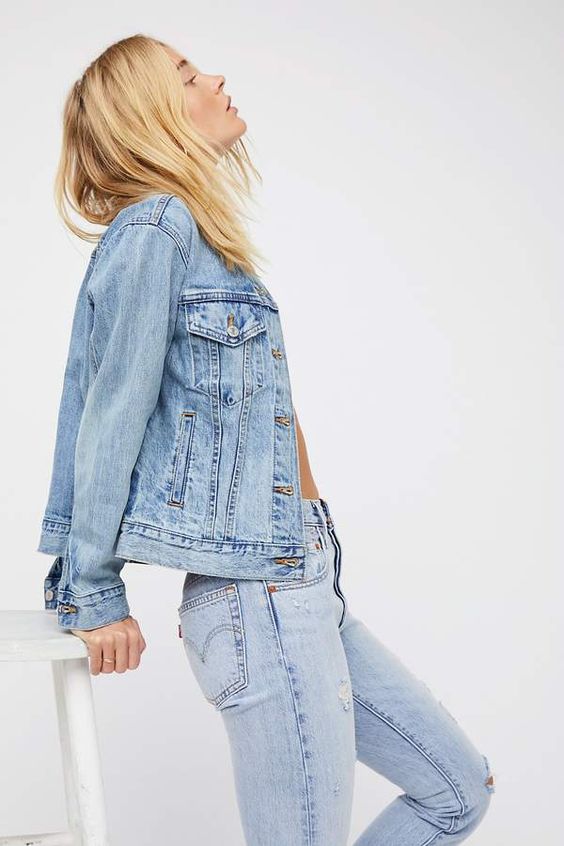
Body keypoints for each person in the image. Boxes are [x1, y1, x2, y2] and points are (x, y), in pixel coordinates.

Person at [37, 34, 495, 845]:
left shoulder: (200, 237)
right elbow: (106, 413)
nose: (215, 78)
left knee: (457, 789)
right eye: (187, 75)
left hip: (305, 574)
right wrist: (93, 591)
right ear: (151, 114)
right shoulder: (157, 230)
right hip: (260, 595)